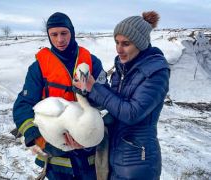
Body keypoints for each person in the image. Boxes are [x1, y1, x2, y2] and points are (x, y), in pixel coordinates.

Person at [76, 11, 170, 180]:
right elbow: (114, 103)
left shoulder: (156, 72)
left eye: (125, 43)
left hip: (137, 160)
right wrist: (86, 91)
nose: (119, 49)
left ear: (140, 44)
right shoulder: (123, 67)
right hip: (115, 152)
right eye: (117, 42)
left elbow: (131, 113)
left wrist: (95, 89)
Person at [13, 12, 106, 180]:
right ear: (49, 36)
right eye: (54, 35)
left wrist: (92, 93)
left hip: (90, 154)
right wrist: (39, 139)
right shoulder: (39, 67)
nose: (59, 40)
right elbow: (23, 105)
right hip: (57, 158)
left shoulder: (92, 63)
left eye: (64, 33)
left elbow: (107, 100)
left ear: (72, 32)